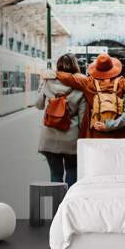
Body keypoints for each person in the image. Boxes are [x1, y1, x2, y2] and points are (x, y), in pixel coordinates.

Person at [56, 54, 125, 138]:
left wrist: (53, 73)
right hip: (118, 132)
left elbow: (68, 77)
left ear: (96, 68)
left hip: (96, 131)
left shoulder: (87, 82)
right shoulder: (121, 83)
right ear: (112, 68)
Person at [36, 53, 85, 188]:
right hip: (71, 139)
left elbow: (39, 105)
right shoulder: (81, 86)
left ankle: (57, 204)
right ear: (76, 67)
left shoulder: (47, 81)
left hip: (49, 137)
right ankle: (68, 203)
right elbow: (82, 120)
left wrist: (43, 86)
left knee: (55, 174)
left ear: (58, 66)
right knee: (72, 170)